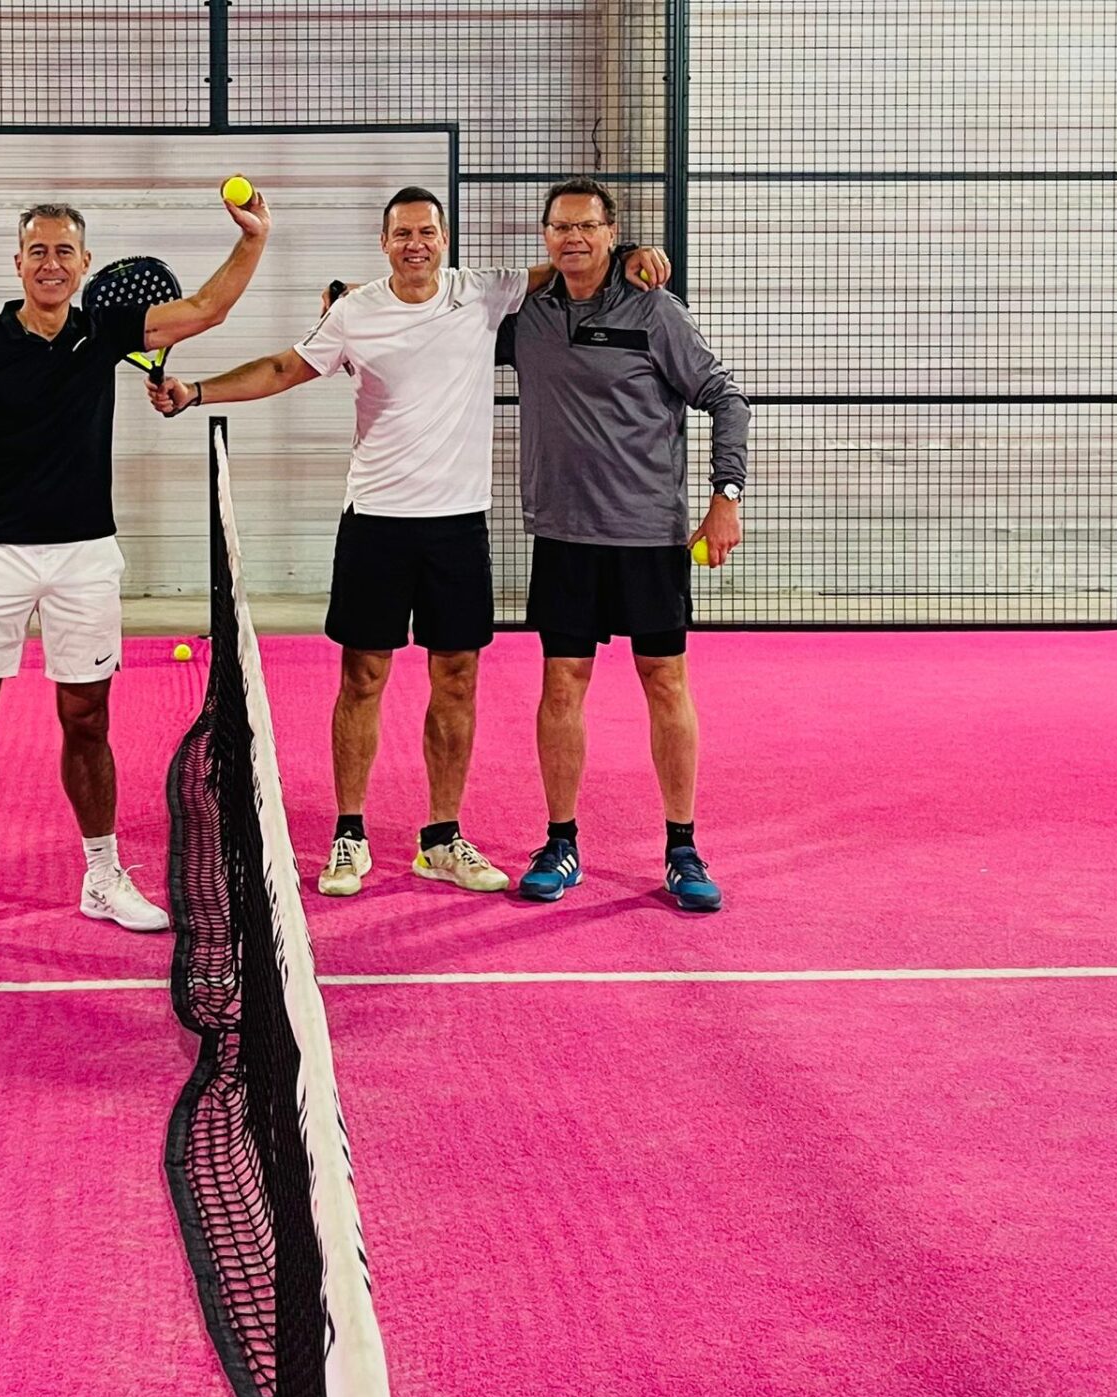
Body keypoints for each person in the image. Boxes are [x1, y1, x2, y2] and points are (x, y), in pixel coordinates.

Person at [147, 187, 669, 898]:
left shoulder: (483, 292)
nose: (416, 244)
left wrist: (631, 253)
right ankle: (349, 833)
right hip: (376, 523)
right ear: (384, 242)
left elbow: (569, 264)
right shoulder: (354, 312)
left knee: (456, 680)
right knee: (362, 678)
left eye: (427, 232)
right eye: (402, 234)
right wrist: (198, 391)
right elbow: (283, 368)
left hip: (458, 526)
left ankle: (441, 838)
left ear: (444, 239)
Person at [0, 189, 272, 956]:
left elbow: (208, 309)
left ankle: (102, 875)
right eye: (38, 251)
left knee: (87, 721)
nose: (50, 264)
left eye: (64, 252)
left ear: (84, 264)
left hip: (85, 556)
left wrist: (253, 239)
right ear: (18, 262)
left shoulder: (109, 331)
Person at [498, 176, 749, 911]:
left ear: (612, 233)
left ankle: (683, 848)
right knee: (561, 685)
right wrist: (346, 299)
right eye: (561, 227)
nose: (573, 237)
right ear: (545, 237)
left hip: (648, 535)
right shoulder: (526, 318)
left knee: (665, 682)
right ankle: (560, 842)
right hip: (564, 537)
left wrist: (726, 496)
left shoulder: (654, 308)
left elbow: (726, 398)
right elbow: (433, 312)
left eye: (588, 226)